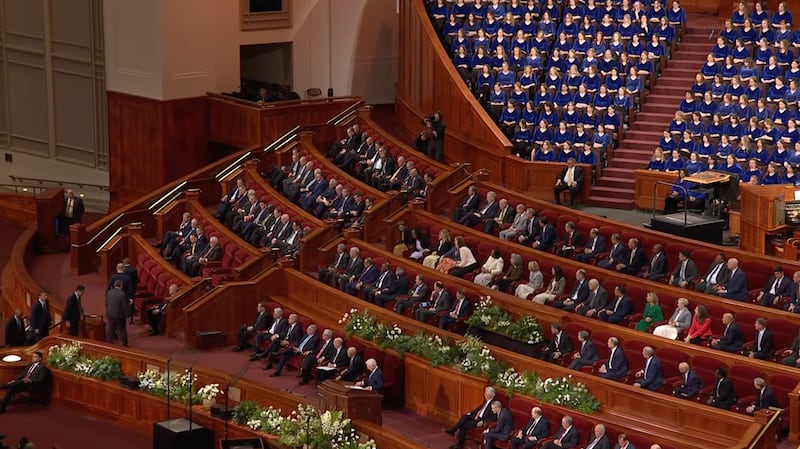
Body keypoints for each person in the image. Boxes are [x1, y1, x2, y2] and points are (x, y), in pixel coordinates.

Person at [105, 280, 129, 347]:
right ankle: (124, 344)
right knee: (122, 329)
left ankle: (108, 343)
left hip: (110, 314)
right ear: (121, 286)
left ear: (114, 285)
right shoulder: (122, 294)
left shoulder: (109, 292)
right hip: (119, 315)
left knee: (111, 329)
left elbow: (106, 304)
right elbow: (125, 306)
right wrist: (128, 315)